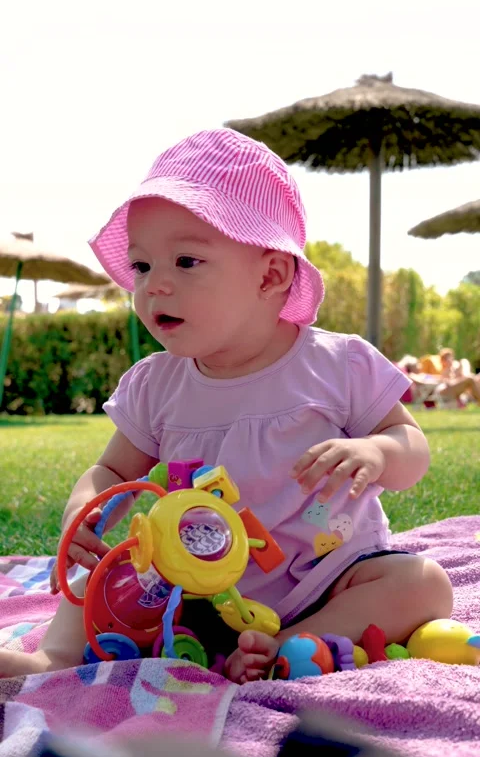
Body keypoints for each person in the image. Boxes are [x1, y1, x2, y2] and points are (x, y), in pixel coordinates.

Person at [0, 129, 453, 684]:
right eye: (141, 267)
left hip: (325, 579)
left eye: (185, 261)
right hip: (190, 590)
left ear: (271, 275)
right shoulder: (157, 384)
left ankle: (285, 645)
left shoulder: (338, 364)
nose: (154, 286)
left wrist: (378, 452)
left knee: (423, 584)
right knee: (101, 579)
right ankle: (53, 660)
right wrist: (86, 510)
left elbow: (411, 447)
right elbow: (113, 472)